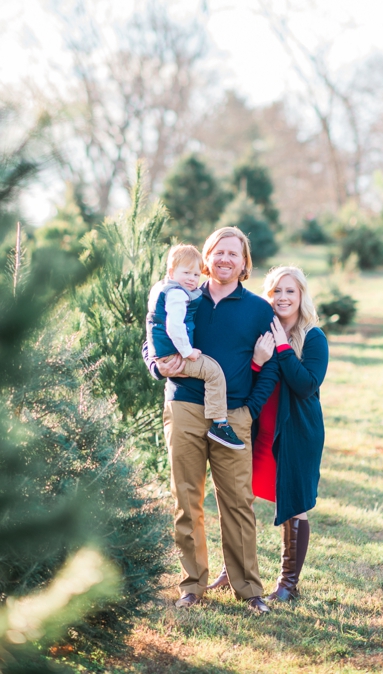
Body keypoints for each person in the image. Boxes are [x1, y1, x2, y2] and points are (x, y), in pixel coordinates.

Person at [143, 226, 278, 614]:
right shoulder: (183, 294)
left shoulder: (258, 309)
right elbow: (152, 334)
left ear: (244, 263)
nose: (224, 259)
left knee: (237, 503)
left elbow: (271, 364)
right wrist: (156, 364)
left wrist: (249, 409)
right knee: (187, 499)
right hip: (184, 405)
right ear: (206, 257)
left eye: (233, 254)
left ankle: (250, 589)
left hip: (233, 414)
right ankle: (192, 586)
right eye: (218, 252)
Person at [209, 266, 328, 602]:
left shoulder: (313, 337)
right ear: (268, 296)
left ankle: (288, 584)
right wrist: (259, 360)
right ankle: (231, 571)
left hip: (297, 433)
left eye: (290, 291)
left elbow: (306, 385)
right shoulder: (258, 332)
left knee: (293, 502)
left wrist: (283, 347)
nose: (283, 297)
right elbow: (245, 380)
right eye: (276, 291)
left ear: (301, 296)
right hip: (260, 429)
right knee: (240, 497)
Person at [145, 243, 245, 450]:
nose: (192, 279)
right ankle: (220, 423)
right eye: (186, 273)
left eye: (196, 274)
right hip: (173, 357)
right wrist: (186, 352)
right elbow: (173, 326)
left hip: (167, 352)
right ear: (172, 272)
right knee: (213, 372)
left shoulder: (163, 289)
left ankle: (218, 421)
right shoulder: (177, 294)